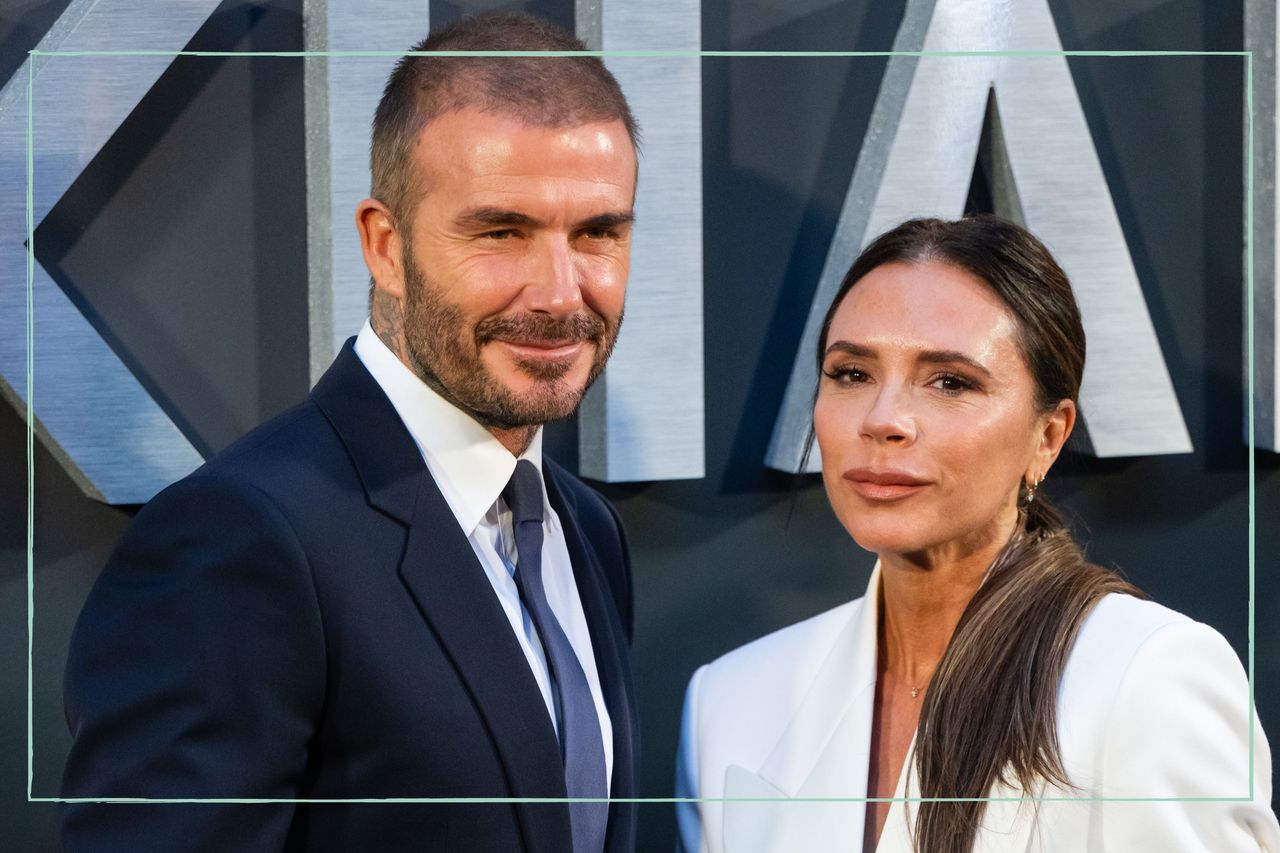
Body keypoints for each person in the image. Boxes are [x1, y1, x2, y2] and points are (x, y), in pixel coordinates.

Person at [62, 13, 640, 853]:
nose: (559, 292)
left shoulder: (585, 530)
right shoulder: (240, 541)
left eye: (597, 233)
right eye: (500, 231)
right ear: (385, 245)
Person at [675, 215, 1280, 853]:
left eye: (950, 382)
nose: (883, 420)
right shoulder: (731, 700)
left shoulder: (1148, 677)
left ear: (1048, 436)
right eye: (852, 373)